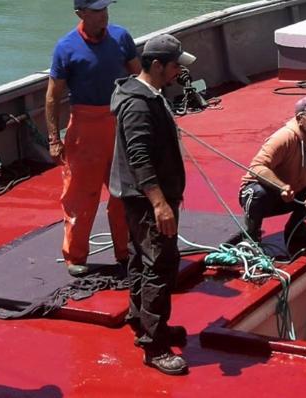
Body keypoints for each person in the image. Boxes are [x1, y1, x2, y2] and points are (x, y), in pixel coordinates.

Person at [109, 34, 195, 377]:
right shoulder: (138, 105)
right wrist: (160, 204)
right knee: (158, 264)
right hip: (148, 200)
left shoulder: (148, 95)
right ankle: (155, 345)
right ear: (156, 66)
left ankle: (140, 320)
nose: (178, 72)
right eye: (175, 66)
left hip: (141, 197)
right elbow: (139, 157)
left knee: (140, 259)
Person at [46, 0, 140, 277]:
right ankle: (75, 255)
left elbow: (139, 76)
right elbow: (53, 96)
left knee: (123, 192)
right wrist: (54, 139)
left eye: (106, 9)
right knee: (80, 195)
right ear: (81, 14)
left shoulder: (121, 37)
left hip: (120, 121)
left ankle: (125, 251)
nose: (104, 15)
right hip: (85, 126)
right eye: (97, 11)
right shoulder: (66, 47)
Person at [239, 95, 306, 253]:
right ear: (300, 118)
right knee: (257, 193)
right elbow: (256, 167)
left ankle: (296, 229)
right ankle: (251, 236)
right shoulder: (284, 137)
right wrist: (281, 186)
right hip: (268, 194)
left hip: (295, 193)